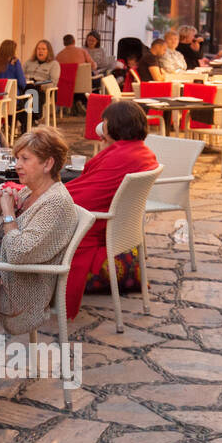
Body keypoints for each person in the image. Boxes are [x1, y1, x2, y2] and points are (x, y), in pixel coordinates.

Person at [0, 126, 79, 335]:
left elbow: (19, 253)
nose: (17, 165)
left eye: (25, 159)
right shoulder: (28, 192)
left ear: (48, 163)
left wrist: (9, 213)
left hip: (14, 294)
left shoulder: (56, 203)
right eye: (17, 158)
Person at [62, 101, 159, 322]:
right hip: (118, 230)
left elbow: (82, 198)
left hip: (93, 229)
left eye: (104, 124)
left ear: (113, 126)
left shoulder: (120, 156)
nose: (101, 129)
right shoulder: (142, 153)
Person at [23, 39, 60, 118]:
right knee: (23, 91)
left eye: (43, 49)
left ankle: (34, 116)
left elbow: (53, 83)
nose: (40, 51)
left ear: (48, 51)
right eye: (38, 49)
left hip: (42, 89)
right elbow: (21, 75)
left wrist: (41, 85)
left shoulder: (54, 64)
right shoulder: (29, 62)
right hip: (27, 86)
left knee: (33, 90)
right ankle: (27, 118)